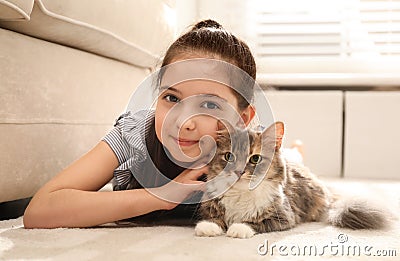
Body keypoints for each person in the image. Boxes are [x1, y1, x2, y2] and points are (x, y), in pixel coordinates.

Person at [23, 19, 258, 228]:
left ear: (242, 119)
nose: (183, 122)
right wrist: (161, 196)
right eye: (172, 98)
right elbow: (39, 211)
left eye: (209, 105)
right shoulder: (134, 133)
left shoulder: (252, 161)